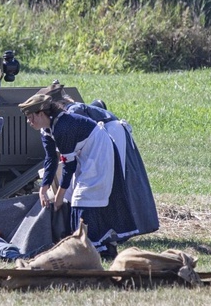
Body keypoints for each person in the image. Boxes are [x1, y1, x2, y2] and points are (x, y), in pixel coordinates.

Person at [18, 94, 139, 257]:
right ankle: (86, 243)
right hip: (83, 154)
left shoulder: (63, 126)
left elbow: (69, 166)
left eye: (31, 117)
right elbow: (50, 159)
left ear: (41, 113)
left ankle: (95, 246)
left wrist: (59, 196)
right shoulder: (46, 130)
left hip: (98, 152)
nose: (29, 121)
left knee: (84, 197)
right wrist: (44, 187)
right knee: (73, 195)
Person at [36, 83, 159, 235]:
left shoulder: (72, 112)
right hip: (94, 147)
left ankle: (124, 227)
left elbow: (85, 142)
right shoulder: (54, 123)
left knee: (113, 184)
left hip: (112, 136)